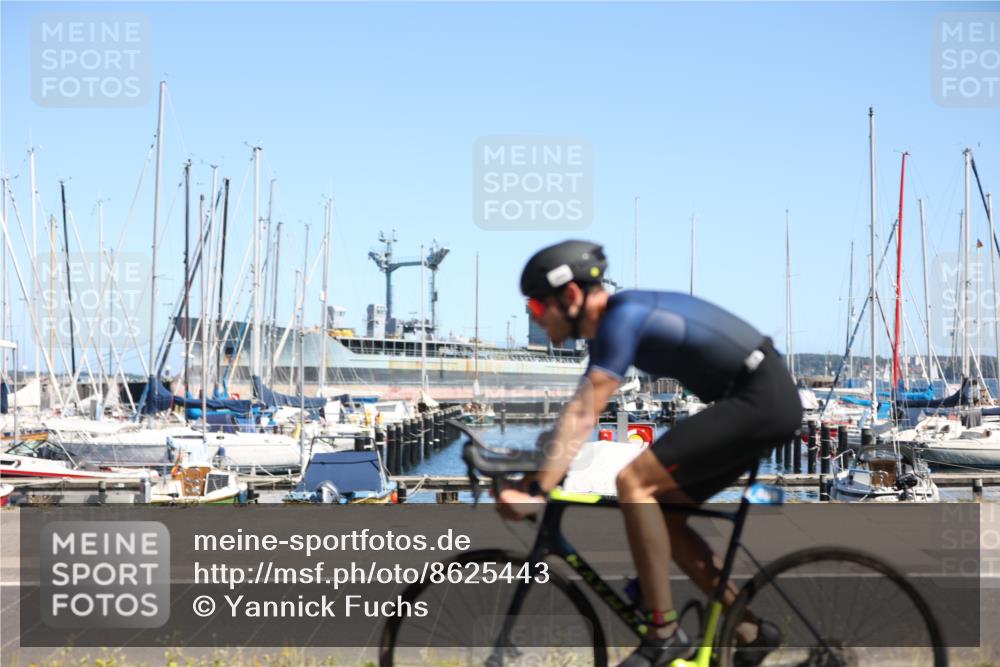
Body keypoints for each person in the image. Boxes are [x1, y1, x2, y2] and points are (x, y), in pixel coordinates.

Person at [498, 240, 803, 667]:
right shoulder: (617, 322)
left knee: (633, 482)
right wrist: (531, 464)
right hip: (757, 396)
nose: (535, 318)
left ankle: (663, 632)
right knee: (666, 514)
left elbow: (586, 411)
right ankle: (749, 630)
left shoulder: (622, 319)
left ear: (569, 296)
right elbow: (577, 411)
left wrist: (537, 487)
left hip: (759, 399)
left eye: (534, 308)